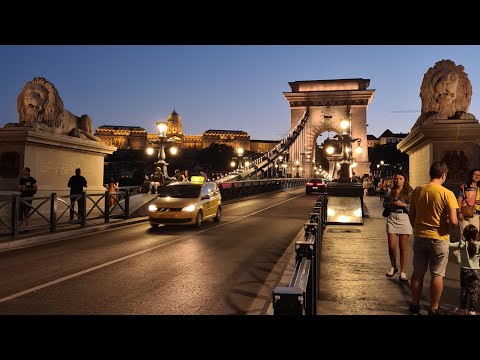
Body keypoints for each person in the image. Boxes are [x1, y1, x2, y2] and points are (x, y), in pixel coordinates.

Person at [408, 160, 459, 315]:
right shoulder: (447, 194)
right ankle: (433, 307)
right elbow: (454, 221)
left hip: (420, 236)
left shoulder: (418, 190)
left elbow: (411, 215)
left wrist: (417, 228)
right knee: (437, 274)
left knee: (418, 272)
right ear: (443, 175)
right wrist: (449, 227)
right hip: (439, 238)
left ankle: (415, 305)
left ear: (430, 174)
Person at [383, 171, 413, 281]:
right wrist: (392, 204)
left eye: (400, 178)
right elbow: (384, 204)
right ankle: (393, 266)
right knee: (392, 246)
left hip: (404, 218)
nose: (398, 180)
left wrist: (403, 204)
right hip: (392, 218)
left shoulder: (409, 191)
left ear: (405, 179)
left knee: (403, 247)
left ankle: (403, 271)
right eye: (396, 178)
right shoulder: (390, 191)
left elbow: (413, 206)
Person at [449, 224, 480, 315]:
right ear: (476, 235)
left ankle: (462, 308)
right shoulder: (479, 245)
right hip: (475, 271)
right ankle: (472, 310)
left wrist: (444, 240)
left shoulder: (462, 244)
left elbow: (452, 245)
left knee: (464, 290)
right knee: (474, 292)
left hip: (464, 271)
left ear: (465, 235)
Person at [456, 168, 480, 234]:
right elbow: (459, 201)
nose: (477, 176)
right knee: (463, 236)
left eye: (479, 175)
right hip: (464, 214)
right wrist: (459, 213)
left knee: (474, 236)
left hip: (476, 215)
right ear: (471, 175)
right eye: (475, 174)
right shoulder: (464, 187)